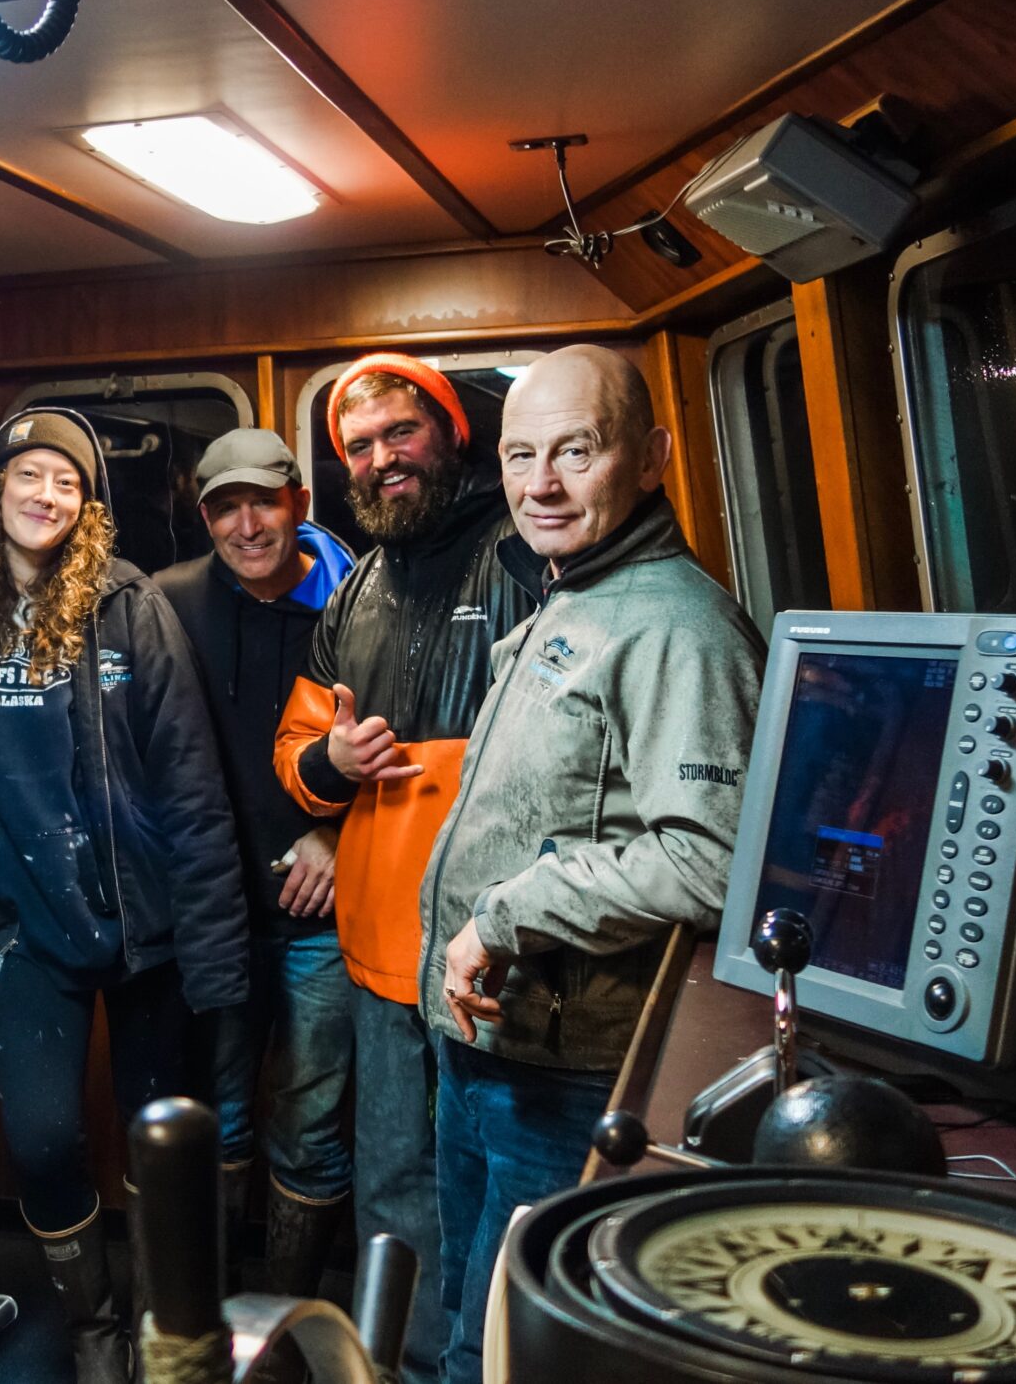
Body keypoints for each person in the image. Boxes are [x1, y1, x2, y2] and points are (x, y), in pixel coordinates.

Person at [0, 408, 248, 1384]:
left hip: (144, 923)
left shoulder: (127, 604)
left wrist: (213, 954)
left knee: (155, 1138)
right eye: (28, 475)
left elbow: (190, 782)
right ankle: (91, 1324)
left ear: (86, 504)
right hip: (22, 925)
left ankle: (161, 1323)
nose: (45, 495)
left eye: (66, 483)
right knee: (41, 1140)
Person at [421, 345, 765, 1384]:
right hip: (491, 1048)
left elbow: (710, 861)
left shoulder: (679, 627)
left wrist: (507, 913)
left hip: (567, 1077)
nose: (542, 485)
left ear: (652, 457)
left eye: (577, 450)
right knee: (461, 1333)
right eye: (521, 455)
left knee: (513, 1358)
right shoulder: (569, 599)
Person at [271, 354, 532, 1384]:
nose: (383, 460)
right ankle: (408, 1369)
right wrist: (328, 771)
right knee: (392, 1186)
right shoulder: (361, 587)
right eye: (361, 448)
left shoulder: (528, 549)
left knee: (507, 1191)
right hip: (382, 959)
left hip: (504, 961)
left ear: (447, 436)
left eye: (400, 435)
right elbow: (297, 759)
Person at [153, 429, 357, 1299]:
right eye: (224, 506)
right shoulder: (167, 603)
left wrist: (343, 839)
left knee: (310, 1125)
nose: (246, 523)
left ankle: (286, 1327)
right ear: (204, 517)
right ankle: (212, 1315)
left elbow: (412, 751)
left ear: (299, 504)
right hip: (218, 912)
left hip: (324, 915)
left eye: (263, 501)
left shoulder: (360, 603)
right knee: (221, 1116)